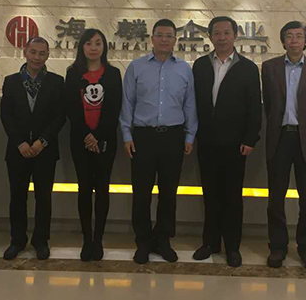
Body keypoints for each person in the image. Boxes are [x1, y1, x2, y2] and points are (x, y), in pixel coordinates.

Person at [120, 19, 198, 264]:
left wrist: (189, 135)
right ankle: (143, 241)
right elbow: (127, 103)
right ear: (152, 38)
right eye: (160, 35)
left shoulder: (184, 69)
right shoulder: (136, 67)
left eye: (169, 35)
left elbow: (190, 104)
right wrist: (126, 135)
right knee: (141, 192)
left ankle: (163, 239)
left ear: (175, 40)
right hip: (143, 137)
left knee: (168, 193)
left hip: (173, 136)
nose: (164, 39)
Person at [191, 16, 262, 268]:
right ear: (210, 36)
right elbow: (192, 103)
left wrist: (250, 138)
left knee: (232, 196)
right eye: (217, 33)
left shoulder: (248, 68)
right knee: (210, 194)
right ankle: (210, 243)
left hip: (236, 143)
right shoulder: (200, 65)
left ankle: (232, 246)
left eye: (226, 33)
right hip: (206, 141)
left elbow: (255, 107)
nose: (222, 37)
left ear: (235, 35)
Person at [261, 21, 306, 272]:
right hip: (279, 138)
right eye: (289, 36)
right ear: (282, 41)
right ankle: (277, 248)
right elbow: (269, 105)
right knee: (275, 199)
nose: (293, 40)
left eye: (298, 36)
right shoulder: (269, 68)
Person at [0, 36, 65, 261]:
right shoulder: (11, 81)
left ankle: (41, 240)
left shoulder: (56, 82)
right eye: (33, 52)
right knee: (17, 196)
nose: (37, 57)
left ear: (47, 56)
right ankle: (17, 240)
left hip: (44, 150)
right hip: (17, 150)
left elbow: (60, 117)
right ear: (25, 53)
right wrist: (20, 142)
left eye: (42, 53)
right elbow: (6, 115)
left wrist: (42, 141)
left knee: (43, 197)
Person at [65, 29, 123, 262]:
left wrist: (97, 136)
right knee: (84, 189)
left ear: (104, 47)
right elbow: (71, 108)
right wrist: (87, 136)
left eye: (98, 43)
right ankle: (86, 239)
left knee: (102, 189)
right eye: (88, 43)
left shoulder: (113, 74)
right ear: (82, 47)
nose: (93, 48)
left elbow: (114, 108)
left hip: (105, 140)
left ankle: (98, 239)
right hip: (80, 140)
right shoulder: (73, 73)